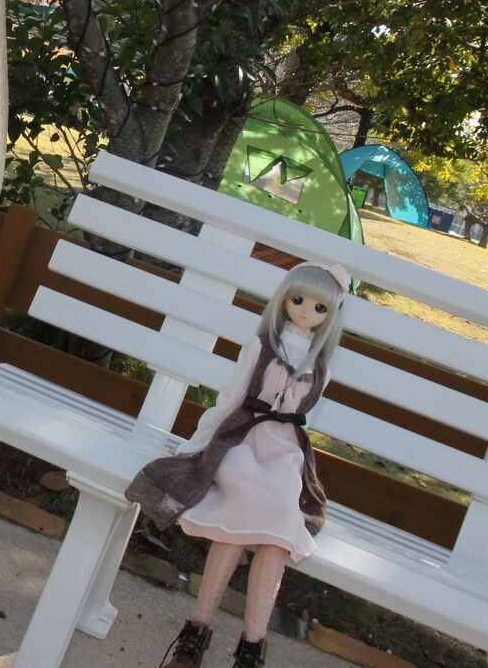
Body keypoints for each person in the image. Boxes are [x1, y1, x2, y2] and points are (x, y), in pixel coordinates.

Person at [126, 261, 350, 668]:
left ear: (331, 316)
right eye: (298, 300)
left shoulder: (321, 369)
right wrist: (197, 446)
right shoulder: (260, 348)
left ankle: (252, 649)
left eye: (320, 308)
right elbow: (229, 399)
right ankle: (196, 631)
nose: (306, 312)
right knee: (241, 507)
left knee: (279, 528)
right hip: (243, 441)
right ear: (284, 300)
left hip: (285, 454)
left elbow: (304, 421)